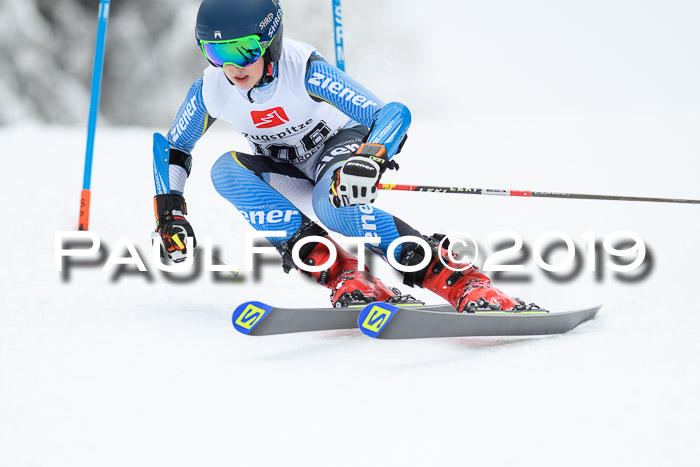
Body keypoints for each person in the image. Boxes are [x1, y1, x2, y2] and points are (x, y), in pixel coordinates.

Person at [153, 0, 527, 311]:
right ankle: (346, 275)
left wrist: (370, 157)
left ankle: (458, 280)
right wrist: (170, 212)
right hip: (289, 171)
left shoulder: (303, 71)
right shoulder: (211, 89)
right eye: (217, 52)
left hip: (340, 150)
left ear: (271, 41)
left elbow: (390, 114)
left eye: (245, 50)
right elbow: (173, 147)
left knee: (331, 205)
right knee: (225, 171)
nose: (233, 67)